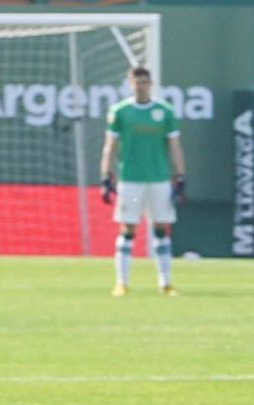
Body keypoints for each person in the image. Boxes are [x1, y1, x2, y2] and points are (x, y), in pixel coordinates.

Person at [101, 67, 186, 297]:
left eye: (145, 82)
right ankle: (122, 282)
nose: (141, 86)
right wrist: (106, 176)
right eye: (137, 82)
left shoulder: (164, 111)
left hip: (159, 179)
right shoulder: (121, 111)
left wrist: (180, 175)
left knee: (161, 227)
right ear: (130, 83)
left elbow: (175, 146)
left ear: (151, 83)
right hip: (131, 180)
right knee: (128, 228)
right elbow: (110, 146)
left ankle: (165, 282)